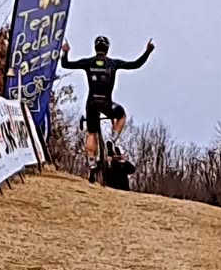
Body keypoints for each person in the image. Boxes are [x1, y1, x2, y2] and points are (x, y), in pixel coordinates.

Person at [61, 35, 155, 182]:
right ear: (107, 49)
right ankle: (112, 139)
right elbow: (135, 64)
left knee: (91, 133)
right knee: (121, 115)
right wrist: (148, 51)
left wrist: (65, 52)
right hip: (106, 103)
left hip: (91, 103)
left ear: (95, 48)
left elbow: (66, 64)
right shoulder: (112, 63)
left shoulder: (88, 62)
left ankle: (92, 162)